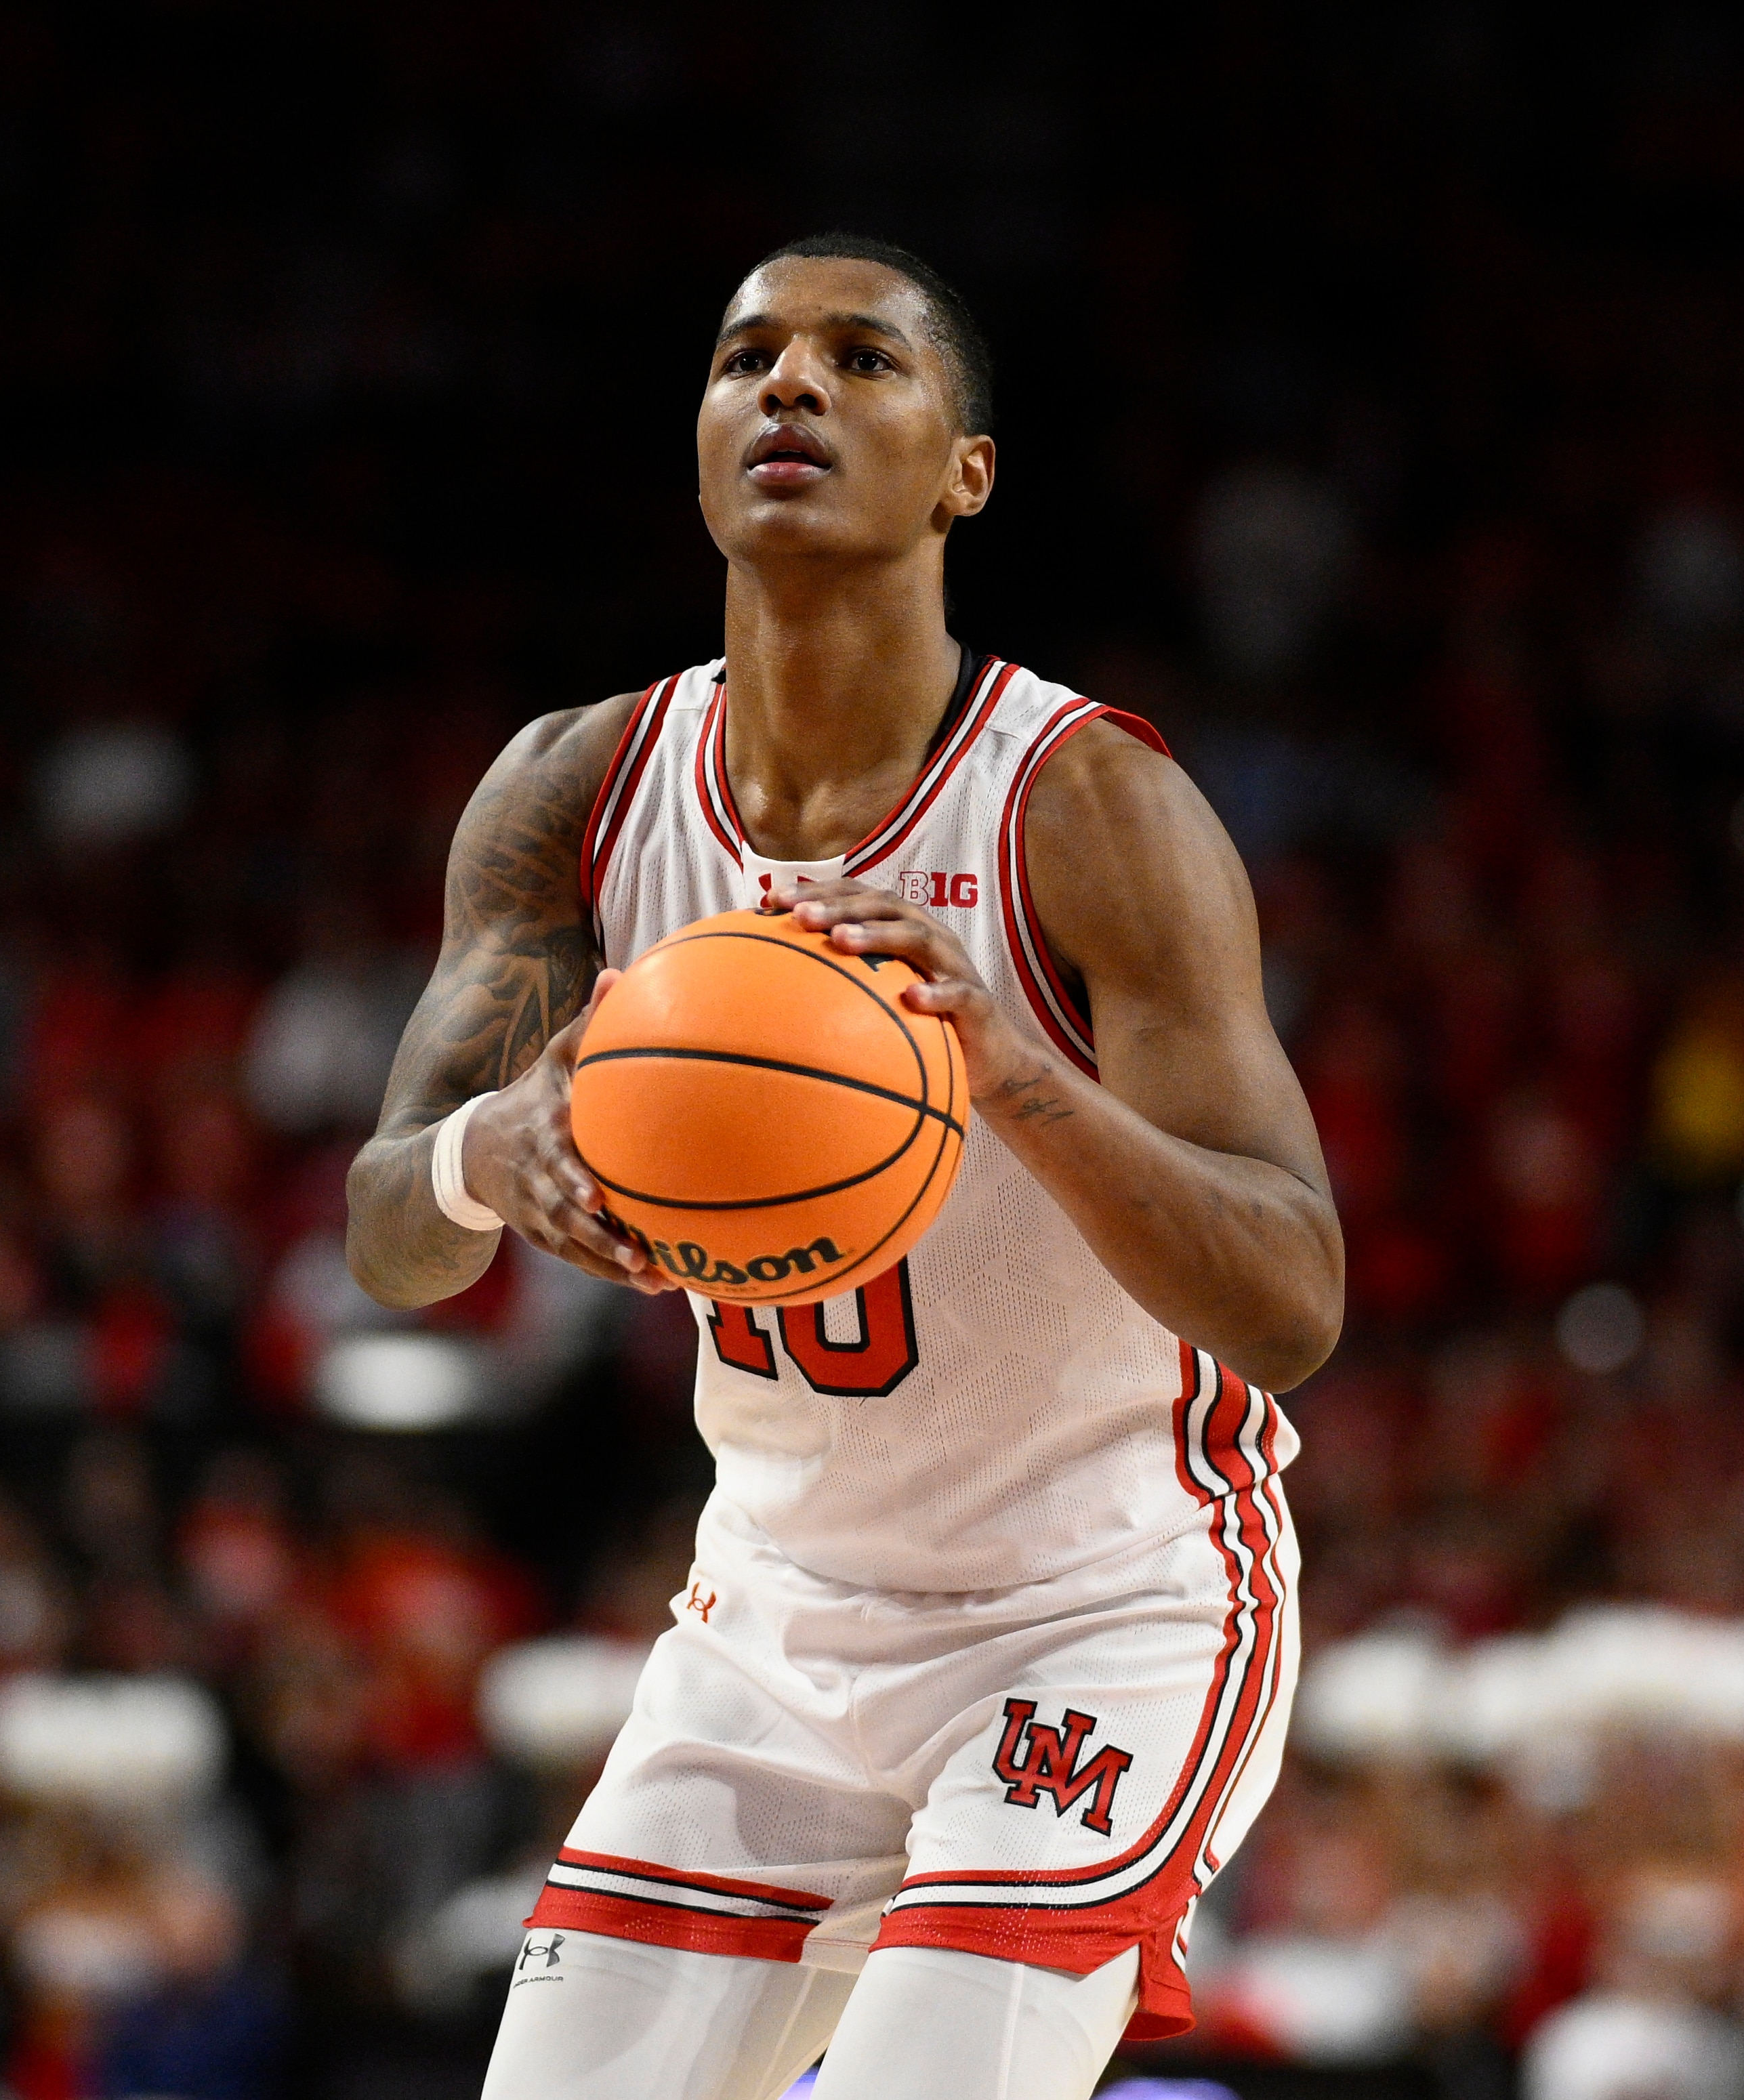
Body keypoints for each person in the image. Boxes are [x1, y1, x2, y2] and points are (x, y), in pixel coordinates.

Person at [348, 232, 1344, 2100]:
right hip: (774, 1623)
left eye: (858, 360)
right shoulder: (572, 787)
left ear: (966, 469)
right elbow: (388, 1229)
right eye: (746, 357)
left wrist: (1006, 1077)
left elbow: (1292, 1299)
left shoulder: (1086, 803)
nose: (787, 385)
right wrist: (501, 1144)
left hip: (1101, 1603)